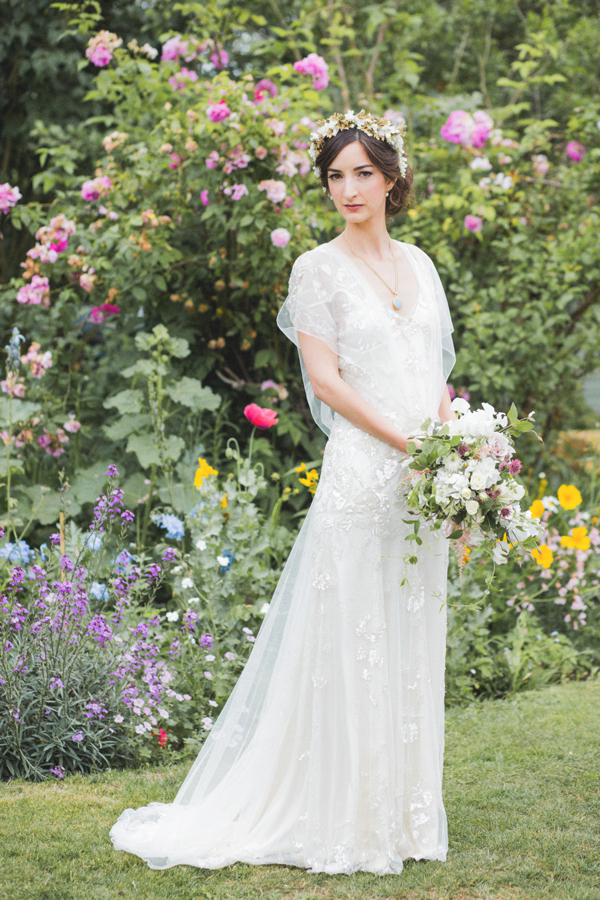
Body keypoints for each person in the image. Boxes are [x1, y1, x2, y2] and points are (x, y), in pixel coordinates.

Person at [110, 109, 456, 876]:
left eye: (363, 171)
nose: (348, 188)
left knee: (410, 635)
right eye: (336, 175)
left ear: (393, 178)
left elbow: (433, 376)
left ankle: (405, 821)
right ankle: (343, 818)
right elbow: (327, 385)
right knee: (353, 641)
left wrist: (455, 451)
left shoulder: (423, 266)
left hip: (426, 485)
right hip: (364, 477)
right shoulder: (315, 270)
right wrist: (415, 446)